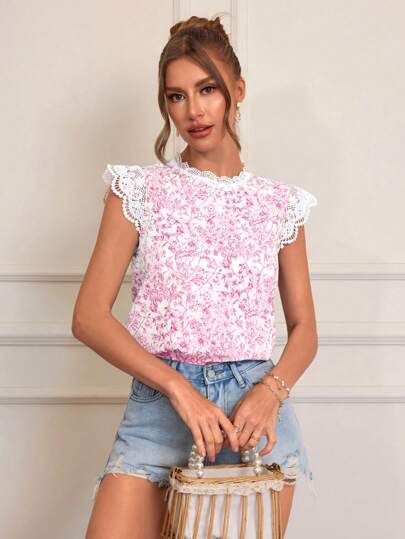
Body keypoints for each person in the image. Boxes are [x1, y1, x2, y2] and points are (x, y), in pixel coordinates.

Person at [73, 14, 318, 539]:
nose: (193, 110)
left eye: (207, 89)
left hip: (252, 424)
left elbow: (305, 330)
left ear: (237, 91)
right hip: (159, 410)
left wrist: (271, 392)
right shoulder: (137, 190)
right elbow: (88, 317)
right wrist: (178, 389)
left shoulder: (280, 204)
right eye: (176, 96)